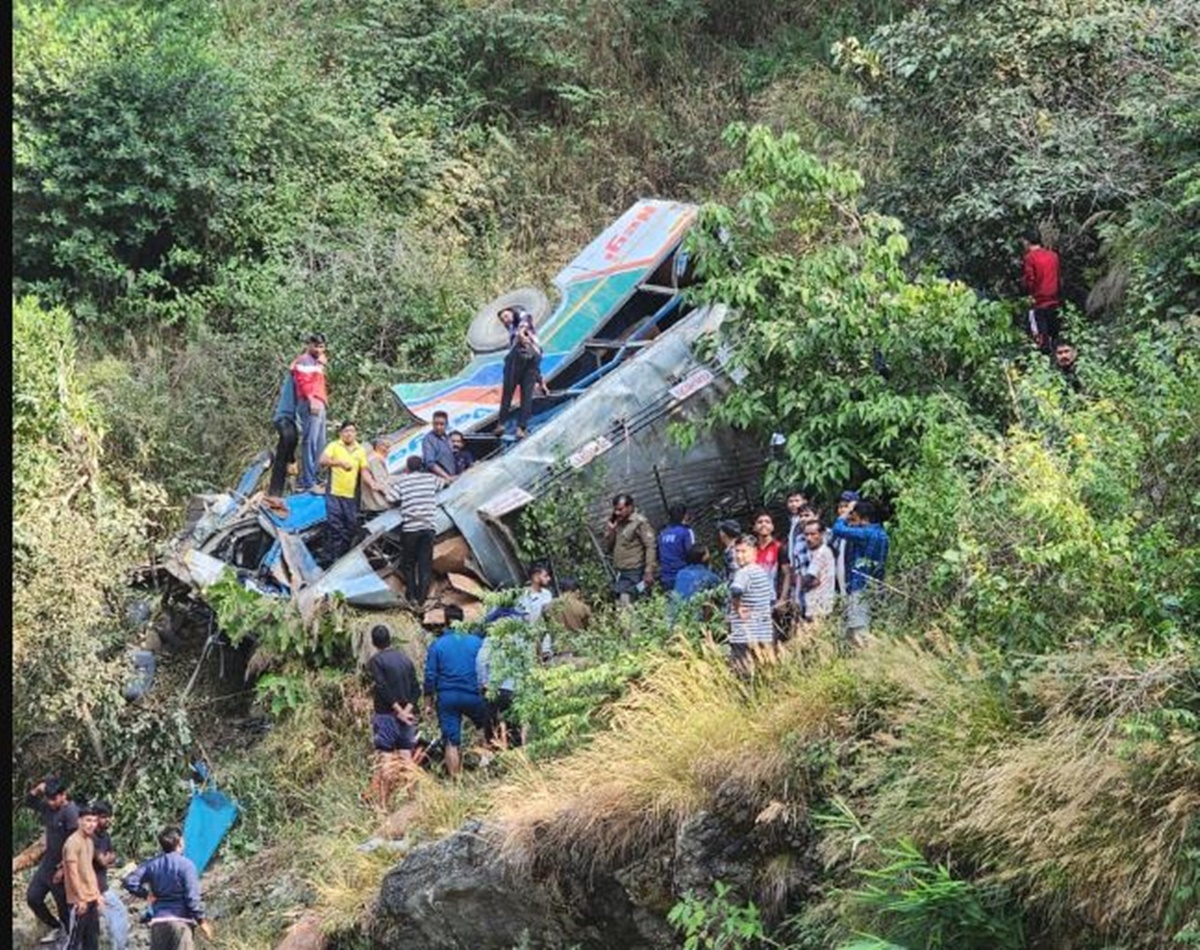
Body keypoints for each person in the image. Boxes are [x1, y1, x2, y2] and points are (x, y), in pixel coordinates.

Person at [423, 605, 489, 779]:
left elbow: (430, 676)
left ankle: (455, 782)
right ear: (463, 620)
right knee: (483, 728)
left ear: (445, 621)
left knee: (451, 741)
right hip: (473, 694)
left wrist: (428, 703)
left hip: (447, 698)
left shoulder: (437, 645)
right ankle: (485, 769)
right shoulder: (476, 642)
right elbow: (486, 667)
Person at [123, 826, 212, 950]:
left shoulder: (153, 864)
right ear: (180, 842)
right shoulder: (187, 865)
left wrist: (146, 895)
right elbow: (192, 899)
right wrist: (202, 921)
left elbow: (129, 881)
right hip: (181, 921)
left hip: (159, 921)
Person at [364, 625, 421, 807]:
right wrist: (407, 711)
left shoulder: (376, 661)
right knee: (407, 759)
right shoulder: (405, 659)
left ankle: (383, 806)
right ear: (390, 639)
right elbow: (416, 689)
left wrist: (398, 711)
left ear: (373, 642)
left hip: (387, 716)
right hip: (407, 718)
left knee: (386, 760)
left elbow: (382, 688)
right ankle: (414, 801)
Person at [830, 499, 890, 647]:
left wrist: (844, 514)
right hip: (875, 586)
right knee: (858, 629)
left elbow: (837, 529)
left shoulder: (865, 533)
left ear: (863, 517)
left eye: (853, 517)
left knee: (859, 631)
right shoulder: (883, 534)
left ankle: (865, 663)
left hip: (859, 586)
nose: (851, 520)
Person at [25, 776, 79, 942]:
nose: (51, 802)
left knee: (63, 904)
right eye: (48, 799)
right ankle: (55, 926)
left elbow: (76, 844)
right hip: (47, 863)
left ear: (63, 795)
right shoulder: (49, 808)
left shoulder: (71, 812)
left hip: (63, 865)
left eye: (54, 799)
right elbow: (29, 802)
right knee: (33, 897)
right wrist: (38, 789)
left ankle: (70, 936)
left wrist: (63, 868)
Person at [318, 421, 378, 564]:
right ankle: (330, 559)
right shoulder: (334, 445)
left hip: (350, 496)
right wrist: (339, 463)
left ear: (355, 433)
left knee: (351, 526)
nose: (349, 433)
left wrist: (373, 483)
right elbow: (323, 460)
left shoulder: (360, 450)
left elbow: (364, 470)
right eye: (346, 431)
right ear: (341, 433)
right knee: (334, 525)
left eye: (352, 431)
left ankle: (342, 557)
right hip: (334, 493)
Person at [387, 456, 441, 607]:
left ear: (407, 469)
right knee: (425, 564)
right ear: (422, 467)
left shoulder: (403, 482)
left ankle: (411, 595)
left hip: (411, 529)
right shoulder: (431, 479)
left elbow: (390, 497)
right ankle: (422, 599)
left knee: (408, 564)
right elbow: (443, 484)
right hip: (429, 527)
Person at [493, 307, 548, 440]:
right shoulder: (512, 332)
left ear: (512, 312)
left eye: (506, 316)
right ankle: (504, 425)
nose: (504, 321)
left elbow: (524, 322)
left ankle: (518, 427)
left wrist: (521, 335)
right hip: (529, 359)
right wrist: (541, 382)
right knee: (511, 392)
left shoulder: (521, 317)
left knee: (524, 394)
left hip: (525, 355)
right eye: (502, 320)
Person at [728, 534, 776, 668]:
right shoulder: (761, 571)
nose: (739, 556)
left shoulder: (744, 572)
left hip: (744, 635)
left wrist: (737, 607)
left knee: (742, 676)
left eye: (744, 551)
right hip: (764, 634)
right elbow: (771, 598)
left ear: (754, 552)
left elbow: (735, 590)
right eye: (737, 551)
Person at [603, 494, 657, 607]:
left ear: (630, 507)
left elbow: (650, 546)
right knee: (620, 602)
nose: (617, 513)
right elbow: (609, 547)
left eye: (620, 509)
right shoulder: (617, 523)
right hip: (622, 572)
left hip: (636, 572)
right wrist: (611, 531)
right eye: (615, 510)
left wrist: (649, 570)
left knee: (628, 599)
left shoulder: (640, 523)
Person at [62, 805, 103, 950]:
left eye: (94, 821)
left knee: (92, 940)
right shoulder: (72, 842)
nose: (91, 824)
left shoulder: (89, 841)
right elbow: (72, 873)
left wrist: (97, 893)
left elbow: (89, 869)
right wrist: (80, 898)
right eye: (88, 820)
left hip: (91, 897)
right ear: (79, 821)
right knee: (74, 941)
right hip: (78, 902)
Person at [292, 333, 329, 491]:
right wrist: (311, 399)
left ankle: (315, 476)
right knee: (311, 441)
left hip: (320, 402)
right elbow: (303, 381)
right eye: (316, 346)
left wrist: (322, 363)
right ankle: (307, 481)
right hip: (310, 402)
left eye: (322, 346)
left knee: (320, 442)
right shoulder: (304, 360)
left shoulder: (317, 361)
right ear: (309, 345)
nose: (319, 349)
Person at [91, 802, 129, 950]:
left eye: (109, 817)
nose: (108, 820)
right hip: (95, 889)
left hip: (102, 887)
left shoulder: (105, 836)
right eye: (104, 817)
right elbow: (103, 861)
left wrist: (108, 858)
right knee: (119, 913)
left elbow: (111, 857)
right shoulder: (91, 838)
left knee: (117, 915)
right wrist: (107, 858)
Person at [1020, 229, 1062, 353]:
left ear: (1026, 242)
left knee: (1040, 340)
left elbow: (1030, 281)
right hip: (1054, 302)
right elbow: (1058, 278)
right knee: (1055, 338)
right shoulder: (1053, 255)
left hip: (1039, 303)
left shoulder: (1029, 258)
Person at [267, 367, 299, 500]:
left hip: (289, 420)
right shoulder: (298, 374)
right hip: (284, 419)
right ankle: (275, 491)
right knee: (289, 438)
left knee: (285, 449)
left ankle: (276, 490)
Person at [516, 563, 556, 659]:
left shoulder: (547, 594)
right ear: (536, 577)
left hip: (546, 643)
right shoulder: (524, 596)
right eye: (545, 576)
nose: (549, 579)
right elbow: (525, 619)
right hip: (529, 643)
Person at [798, 521, 836, 621]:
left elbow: (807, 580)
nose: (808, 538)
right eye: (806, 534)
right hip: (813, 605)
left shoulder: (822, 552)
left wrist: (800, 580)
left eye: (813, 534)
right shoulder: (811, 552)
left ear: (822, 534)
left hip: (820, 607)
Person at [656, 502, 696, 593]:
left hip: (665, 577)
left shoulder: (662, 533)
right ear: (685, 516)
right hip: (683, 576)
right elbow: (693, 553)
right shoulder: (686, 532)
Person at [360, 437, 395, 515]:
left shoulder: (368, 460)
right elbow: (380, 482)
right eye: (386, 447)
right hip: (379, 504)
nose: (388, 450)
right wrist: (393, 497)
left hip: (372, 505)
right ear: (378, 447)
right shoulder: (375, 460)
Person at [752, 511, 783, 597]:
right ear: (754, 527)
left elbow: (787, 574)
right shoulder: (750, 549)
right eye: (760, 522)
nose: (763, 524)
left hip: (773, 597)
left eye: (767, 522)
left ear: (773, 527)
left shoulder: (779, 547)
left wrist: (783, 598)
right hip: (753, 597)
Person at [422, 411, 457, 484]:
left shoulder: (448, 438)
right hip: (442, 482)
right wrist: (447, 477)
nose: (438, 427)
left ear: (446, 425)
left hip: (454, 477)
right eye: (436, 424)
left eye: (441, 424)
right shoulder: (428, 440)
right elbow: (430, 463)